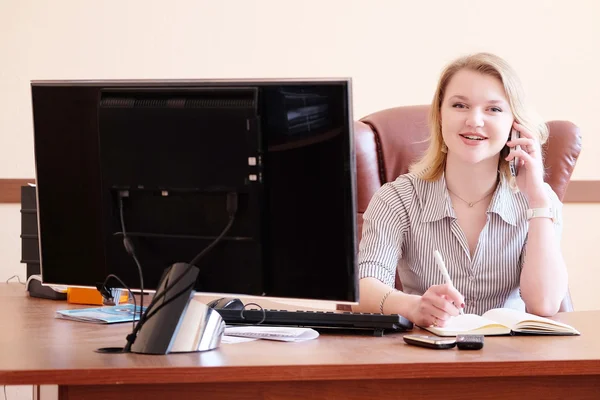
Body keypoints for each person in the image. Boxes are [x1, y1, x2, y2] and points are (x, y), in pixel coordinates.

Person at [352, 52, 568, 327]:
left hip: (511, 358)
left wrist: (537, 198)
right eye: (460, 105)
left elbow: (545, 304)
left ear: (516, 126)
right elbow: (365, 285)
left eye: (494, 109)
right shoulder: (397, 198)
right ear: (440, 115)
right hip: (428, 354)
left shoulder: (540, 201)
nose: (474, 120)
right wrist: (413, 306)